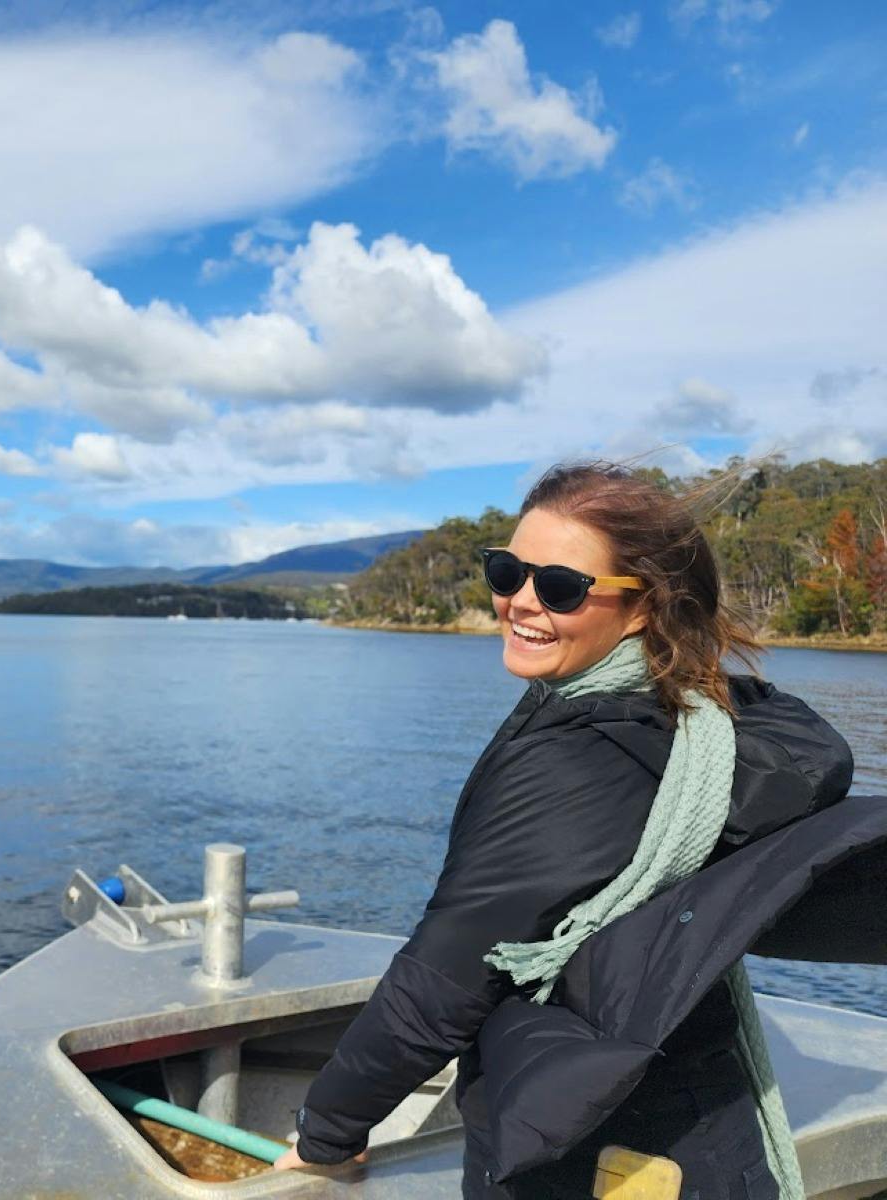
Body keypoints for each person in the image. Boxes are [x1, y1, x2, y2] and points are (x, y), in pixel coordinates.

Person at [272, 461, 857, 1198]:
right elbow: (816, 747)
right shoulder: (689, 720)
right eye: (508, 570)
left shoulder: (580, 765)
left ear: (642, 611)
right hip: (705, 1121)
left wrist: (327, 1135)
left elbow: (441, 984)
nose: (520, 602)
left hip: (591, 1149)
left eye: (560, 588)